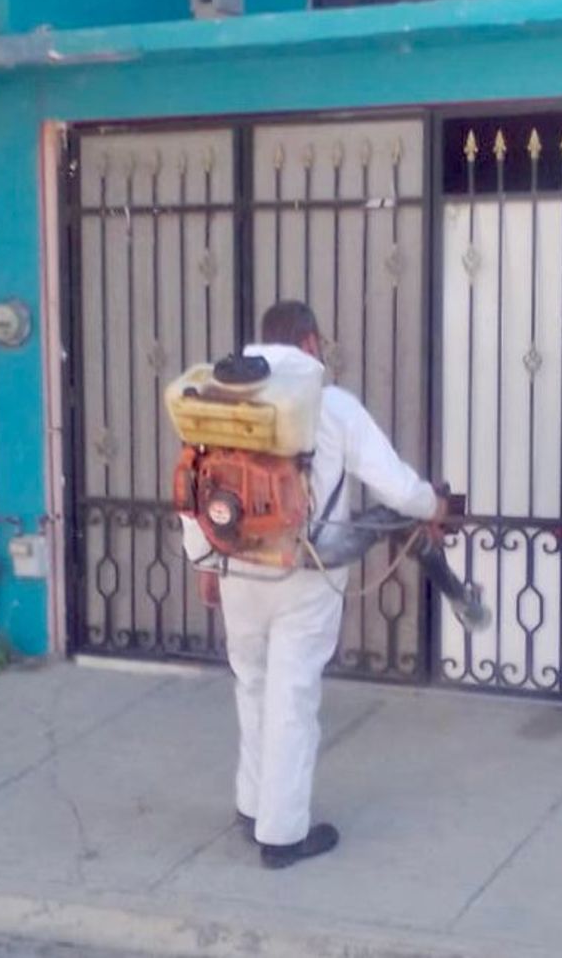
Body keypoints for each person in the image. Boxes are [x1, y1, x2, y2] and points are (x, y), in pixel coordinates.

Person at [181, 300, 444, 870]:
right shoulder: (332, 406)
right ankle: (282, 835)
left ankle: (252, 805)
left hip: (236, 567)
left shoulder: (221, 400)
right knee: (292, 699)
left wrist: (203, 562)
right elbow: (398, 489)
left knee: (252, 684)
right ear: (309, 343)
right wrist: (432, 505)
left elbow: (194, 487)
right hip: (304, 571)